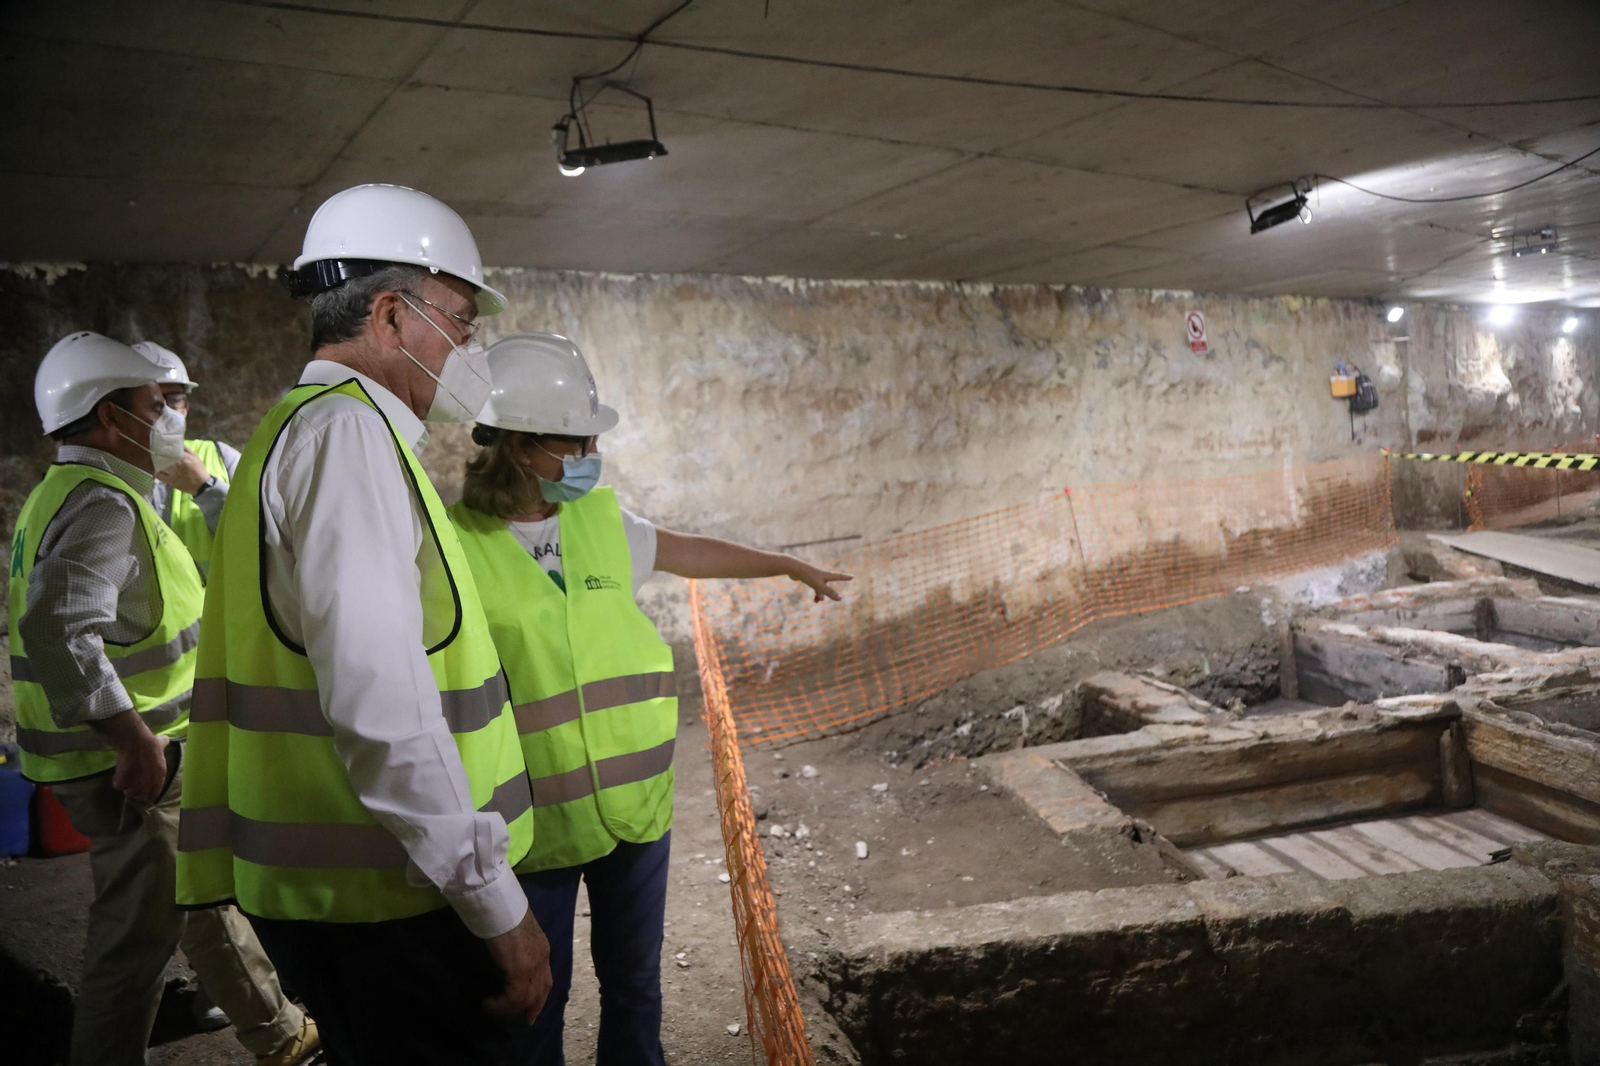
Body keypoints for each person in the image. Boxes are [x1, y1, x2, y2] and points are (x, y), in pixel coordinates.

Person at [174, 183, 551, 1066]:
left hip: (349, 898)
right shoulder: (346, 441)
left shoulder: (306, 430)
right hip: (387, 903)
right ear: (389, 315)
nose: (470, 348)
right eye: (460, 321)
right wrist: (498, 907)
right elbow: (383, 706)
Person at [446, 332, 851, 1065]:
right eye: (579, 437)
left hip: (636, 813)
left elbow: (688, 550)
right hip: (532, 828)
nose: (594, 450)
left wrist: (785, 565)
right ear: (519, 444)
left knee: (635, 987)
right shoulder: (453, 545)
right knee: (538, 1003)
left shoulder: (602, 519)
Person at [8, 331, 317, 1066]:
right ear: (112, 419)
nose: (172, 416)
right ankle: (274, 1035)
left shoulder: (70, 491)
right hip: (130, 761)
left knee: (197, 898)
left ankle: (280, 1034)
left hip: (130, 753)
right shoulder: (103, 503)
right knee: (136, 942)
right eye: (158, 403)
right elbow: (58, 628)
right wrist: (132, 739)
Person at [134, 341, 240, 580]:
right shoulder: (108, 473)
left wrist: (204, 487)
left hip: (217, 616)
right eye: (153, 401)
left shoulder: (221, 457)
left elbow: (262, 541)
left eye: (173, 400)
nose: (165, 412)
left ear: (186, 407)